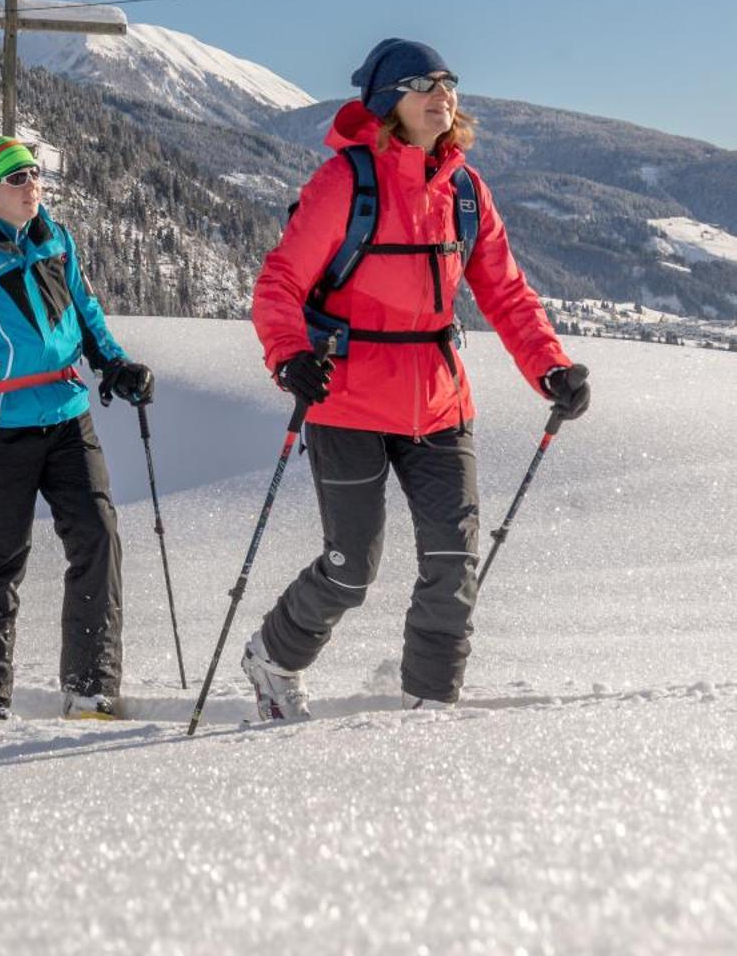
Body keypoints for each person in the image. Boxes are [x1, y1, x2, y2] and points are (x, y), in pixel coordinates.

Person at [242, 39, 591, 719]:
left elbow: (506, 293)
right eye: (421, 83)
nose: (442, 94)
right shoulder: (345, 182)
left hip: (437, 401)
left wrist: (550, 365)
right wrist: (289, 354)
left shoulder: (463, 189)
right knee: (349, 569)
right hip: (345, 398)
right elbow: (280, 281)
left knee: (453, 565)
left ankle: (432, 712)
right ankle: (275, 655)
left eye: (447, 81)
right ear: (385, 103)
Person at [0, 130, 154, 720]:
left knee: (98, 534)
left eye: (35, 175)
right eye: (18, 179)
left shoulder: (57, 241)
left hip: (68, 416)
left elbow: (86, 311)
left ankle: (91, 688)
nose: (33, 187)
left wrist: (114, 363)